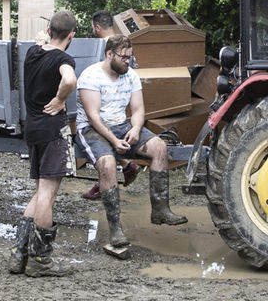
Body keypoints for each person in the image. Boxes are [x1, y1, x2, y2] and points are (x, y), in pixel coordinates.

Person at [76, 33, 186, 259]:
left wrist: (135, 129)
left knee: (159, 147)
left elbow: (138, 111)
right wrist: (114, 142)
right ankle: (115, 229)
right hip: (91, 128)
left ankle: (160, 210)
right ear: (109, 54)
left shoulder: (131, 76)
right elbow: (93, 117)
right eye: (124, 57)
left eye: (130, 56)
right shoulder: (90, 77)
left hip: (120, 125)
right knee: (107, 164)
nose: (128, 61)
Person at [8, 9, 79, 277]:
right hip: (53, 131)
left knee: (39, 194)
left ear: (49, 31)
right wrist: (61, 99)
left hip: (34, 130)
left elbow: (41, 41)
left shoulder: (33, 53)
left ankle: (18, 255)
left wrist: (43, 37)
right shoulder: (64, 58)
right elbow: (70, 79)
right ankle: (40, 261)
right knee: (47, 197)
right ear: (72, 35)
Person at [81, 11, 139, 200]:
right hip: (120, 109)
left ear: (97, 27)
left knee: (102, 139)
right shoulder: (124, 45)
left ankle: (110, 177)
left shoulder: (102, 49)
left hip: (103, 112)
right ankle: (123, 167)